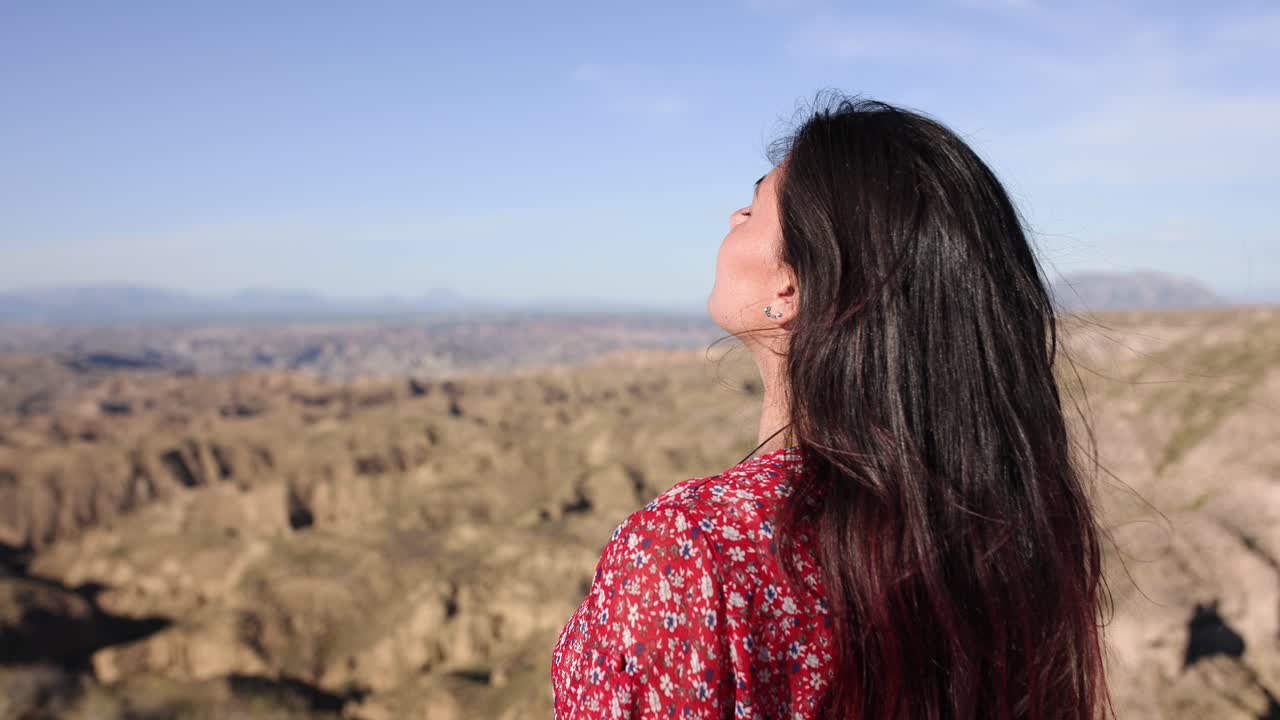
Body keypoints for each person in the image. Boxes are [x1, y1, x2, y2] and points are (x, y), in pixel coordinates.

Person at [550, 90, 1114, 720]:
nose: (734, 213)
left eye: (757, 204)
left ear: (790, 287)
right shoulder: (1000, 534)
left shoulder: (693, 550)